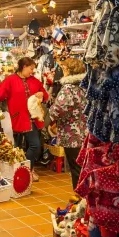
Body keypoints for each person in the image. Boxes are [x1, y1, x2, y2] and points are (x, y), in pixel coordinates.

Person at [0, 57, 48, 182]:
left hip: (34, 119)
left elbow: (45, 94)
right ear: (24, 67)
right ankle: (23, 170)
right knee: (23, 146)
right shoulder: (10, 80)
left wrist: (42, 95)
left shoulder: (34, 81)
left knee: (34, 145)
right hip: (18, 118)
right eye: (31, 69)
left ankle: (26, 169)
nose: (32, 71)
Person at [48, 58, 87, 190]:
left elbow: (58, 109)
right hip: (84, 133)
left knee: (76, 167)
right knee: (82, 166)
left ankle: (79, 198)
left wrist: (47, 118)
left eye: (64, 69)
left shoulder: (68, 88)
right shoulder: (85, 87)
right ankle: (86, 198)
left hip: (71, 135)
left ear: (69, 70)